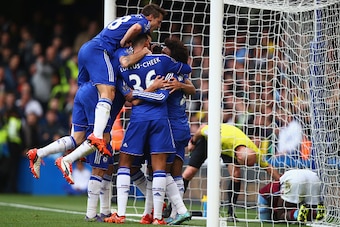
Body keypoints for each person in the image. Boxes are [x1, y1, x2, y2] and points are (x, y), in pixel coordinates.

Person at [104, 33, 192, 224]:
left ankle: (136, 213)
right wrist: (153, 87)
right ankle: (157, 215)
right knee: (156, 168)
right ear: (145, 43)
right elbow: (187, 68)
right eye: (150, 42)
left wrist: (139, 95)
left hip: (152, 120)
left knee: (133, 165)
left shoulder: (121, 67)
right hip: (162, 120)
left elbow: (130, 97)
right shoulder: (162, 61)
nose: (153, 46)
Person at [77, 3, 166, 157]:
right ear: (151, 17)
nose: (158, 26)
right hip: (98, 50)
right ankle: (96, 137)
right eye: (158, 22)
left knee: (81, 117)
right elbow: (136, 31)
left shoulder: (129, 18)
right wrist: (124, 41)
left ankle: (68, 150)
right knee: (108, 93)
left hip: (87, 51)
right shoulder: (141, 24)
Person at [182, 123, 281, 222]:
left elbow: (269, 168)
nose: (244, 167)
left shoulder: (254, 151)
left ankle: (231, 212)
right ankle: (175, 207)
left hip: (227, 149)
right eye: (244, 164)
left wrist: (282, 181)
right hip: (210, 141)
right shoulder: (222, 136)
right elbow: (201, 128)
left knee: (236, 175)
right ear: (239, 157)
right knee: (188, 173)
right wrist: (193, 142)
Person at [258, 169, 325, 223]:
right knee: (310, 206)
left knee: (280, 215)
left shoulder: (269, 189)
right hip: (314, 178)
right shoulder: (280, 181)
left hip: (294, 180)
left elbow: (262, 196)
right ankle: (315, 213)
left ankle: (297, 213)